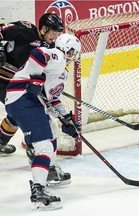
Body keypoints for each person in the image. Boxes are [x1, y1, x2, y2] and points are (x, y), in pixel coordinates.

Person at [5, 33, 81, 210]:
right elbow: (38, 54)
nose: (73, 57)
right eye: (72, 52)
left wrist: (66, 118)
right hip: (23, 99)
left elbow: (52, 99)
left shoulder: (61, 72)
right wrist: (35, 77)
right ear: (66, 49)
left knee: (52, 128)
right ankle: (38, 193)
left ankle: (50, 171)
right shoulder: (57, 56)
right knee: (44, 146)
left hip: (26, 101)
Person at [0, 13, 72, 186]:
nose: (54, 36)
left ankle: (2, 141)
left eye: (57, 33)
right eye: (52, 32)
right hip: (4, 76)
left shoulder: (51, 47)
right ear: (43, 28)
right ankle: (41, 162)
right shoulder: (25, 30)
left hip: (17, 83)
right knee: (32, 118)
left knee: (19, 115)